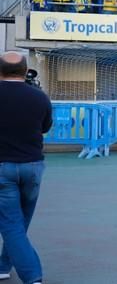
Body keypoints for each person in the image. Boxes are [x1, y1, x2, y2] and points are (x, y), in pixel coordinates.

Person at [0, 52, 52, 284]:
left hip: (3, 169)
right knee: (19, 223)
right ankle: (3, 266)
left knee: (12, 225)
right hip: (32, 168)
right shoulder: (40, 97)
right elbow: (45, 127)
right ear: (24, 71)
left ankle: (33, 277)